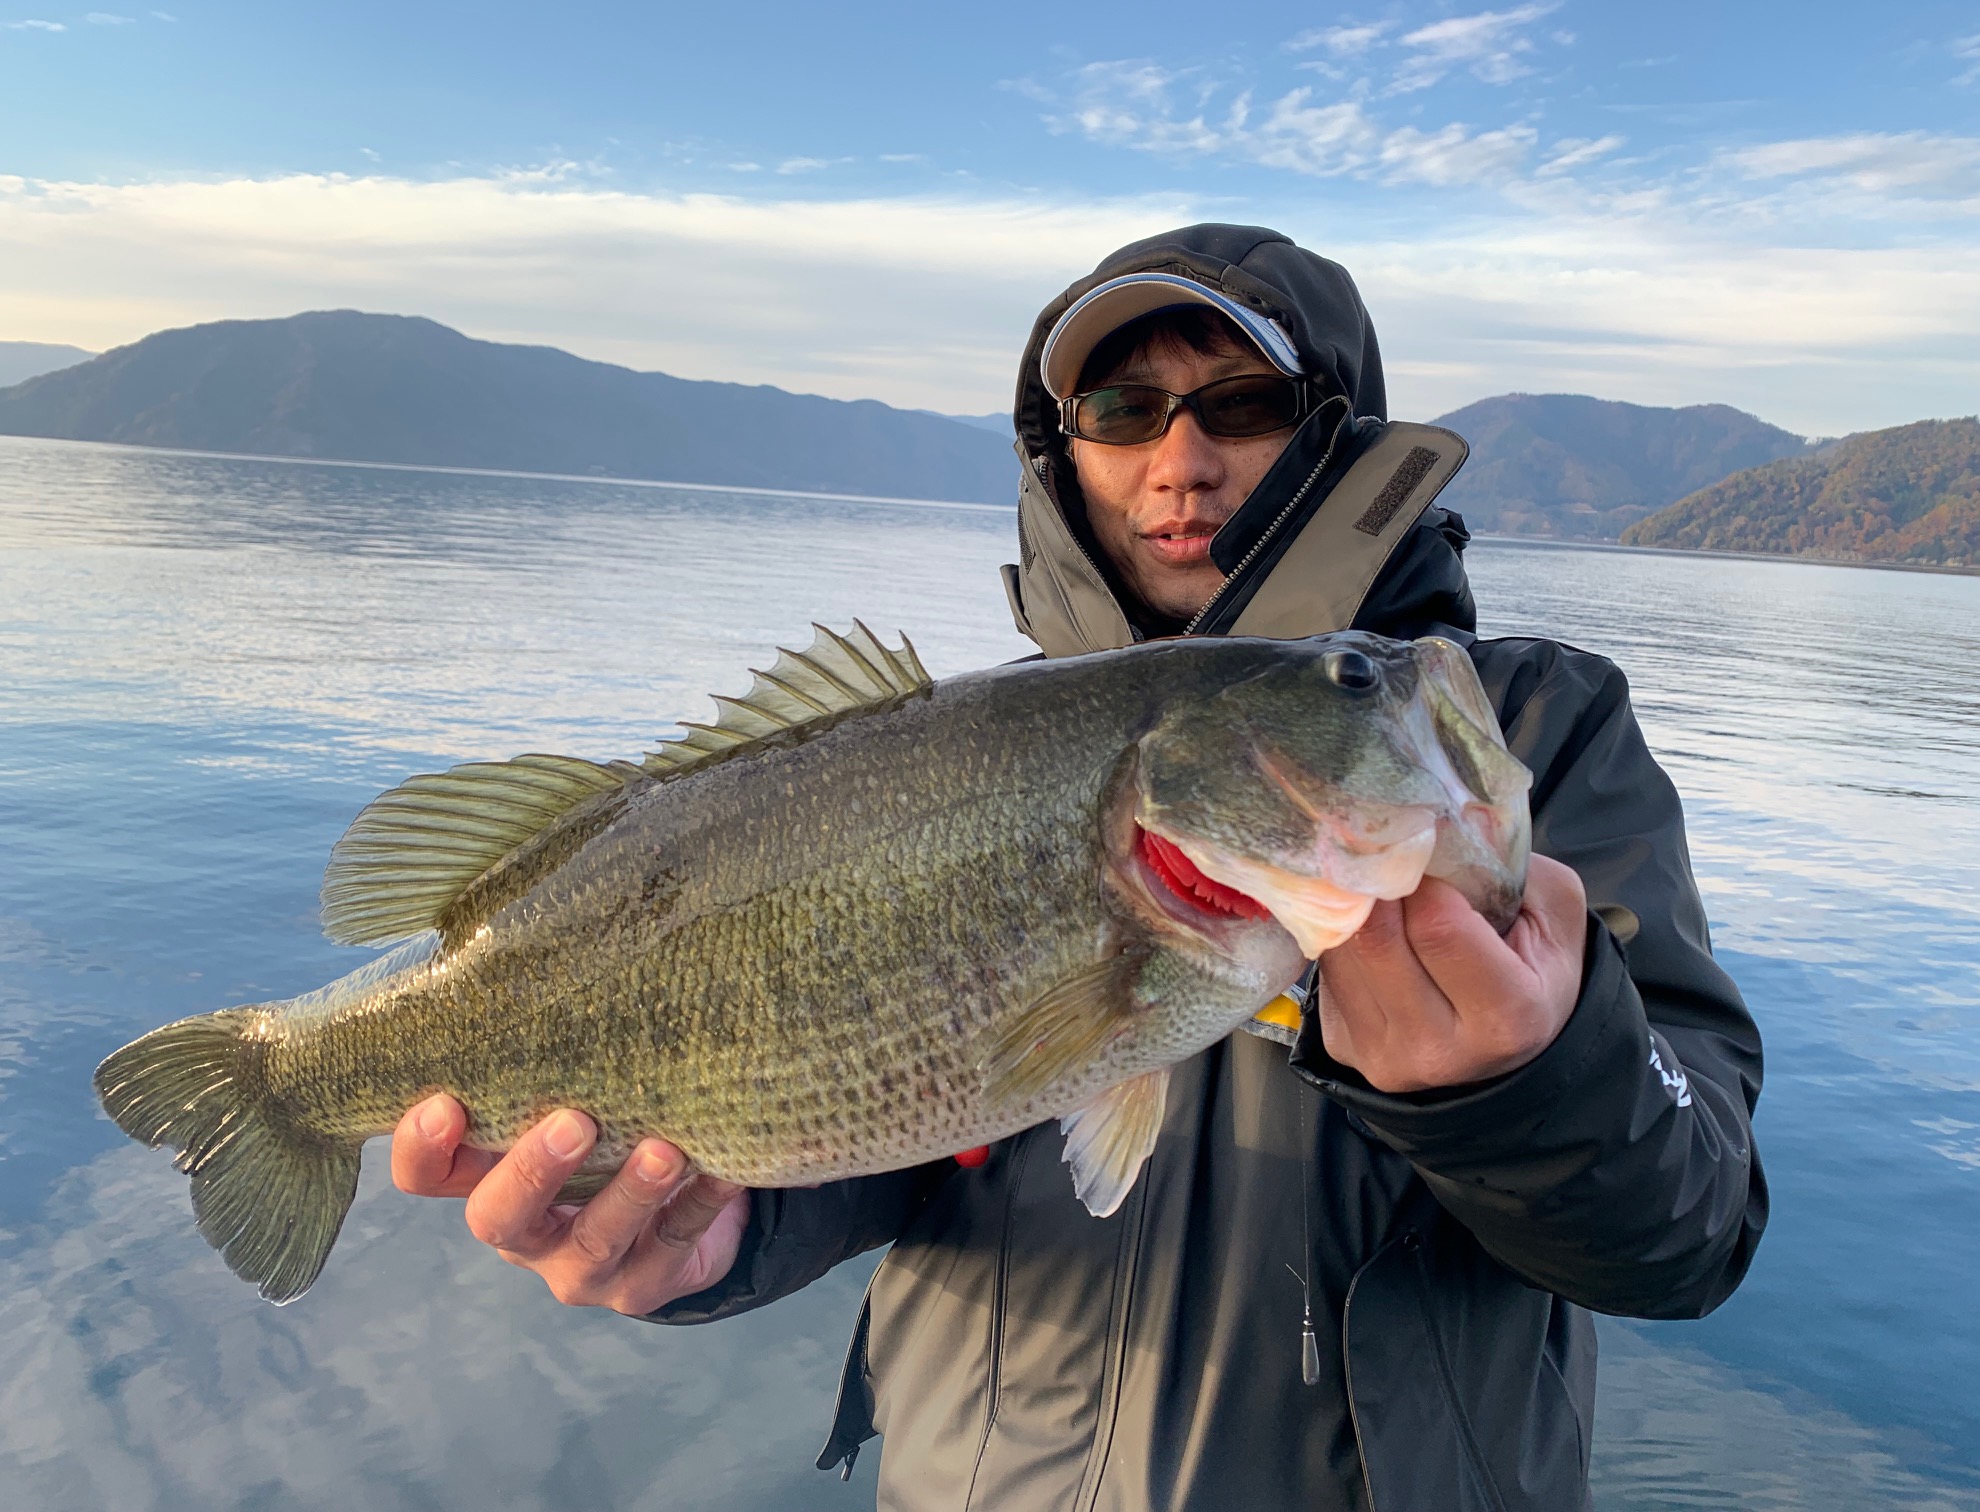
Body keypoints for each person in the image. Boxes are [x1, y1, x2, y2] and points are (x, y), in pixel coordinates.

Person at [390, 224, 1767, 1511]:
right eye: (1121, 413)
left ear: (1336, 438)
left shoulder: (1527, 730)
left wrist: (1531, 1083)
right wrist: (709, 1242)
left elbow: (1691, 1228)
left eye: (1241, 404)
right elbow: (882, 1130)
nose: (1180, 461)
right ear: (1066, 457)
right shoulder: (945, 749)